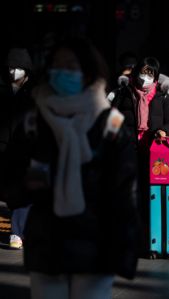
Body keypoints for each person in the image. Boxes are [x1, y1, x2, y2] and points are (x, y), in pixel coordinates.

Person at [1, 37, 140, 299]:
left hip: (95, 247)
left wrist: (126, 252)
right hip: (47, 247)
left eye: (71, 66)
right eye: (57, 65)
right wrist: (25, 188)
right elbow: (10, 176)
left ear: (89, 72)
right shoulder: (33, 123)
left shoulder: (110, 125)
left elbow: (126, 193)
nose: (63, 72)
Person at [107, 56, 169, 254]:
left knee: (152, 197)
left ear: (156, 76)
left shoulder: (163, 96)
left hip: (155, 155)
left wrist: (164, 131)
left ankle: (151, 241)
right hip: (128, 151)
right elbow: (112, 121)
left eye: (150, 73)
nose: (145, 77)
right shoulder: (124, 93)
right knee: (130, 196)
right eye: (143, 72)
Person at [0, 47, 35, 249]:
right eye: (11, 67)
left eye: (18, 68)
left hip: (26, 149)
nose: (13, 72)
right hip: (4, 149)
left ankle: (17, 232)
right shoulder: (3, 91)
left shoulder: (35, 94)